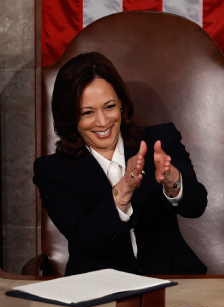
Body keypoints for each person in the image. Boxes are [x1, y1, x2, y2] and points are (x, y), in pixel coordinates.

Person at [33, 52, 208, 276]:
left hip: (172, 279)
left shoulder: (160, 140)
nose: (103, 121)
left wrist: (174, 182)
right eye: (87, 112)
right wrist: (123, 191)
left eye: (109, 106)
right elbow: (84, 236)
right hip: (98, 288)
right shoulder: (52, 171)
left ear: (121, 104)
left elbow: (197, 206)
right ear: (70, 118)